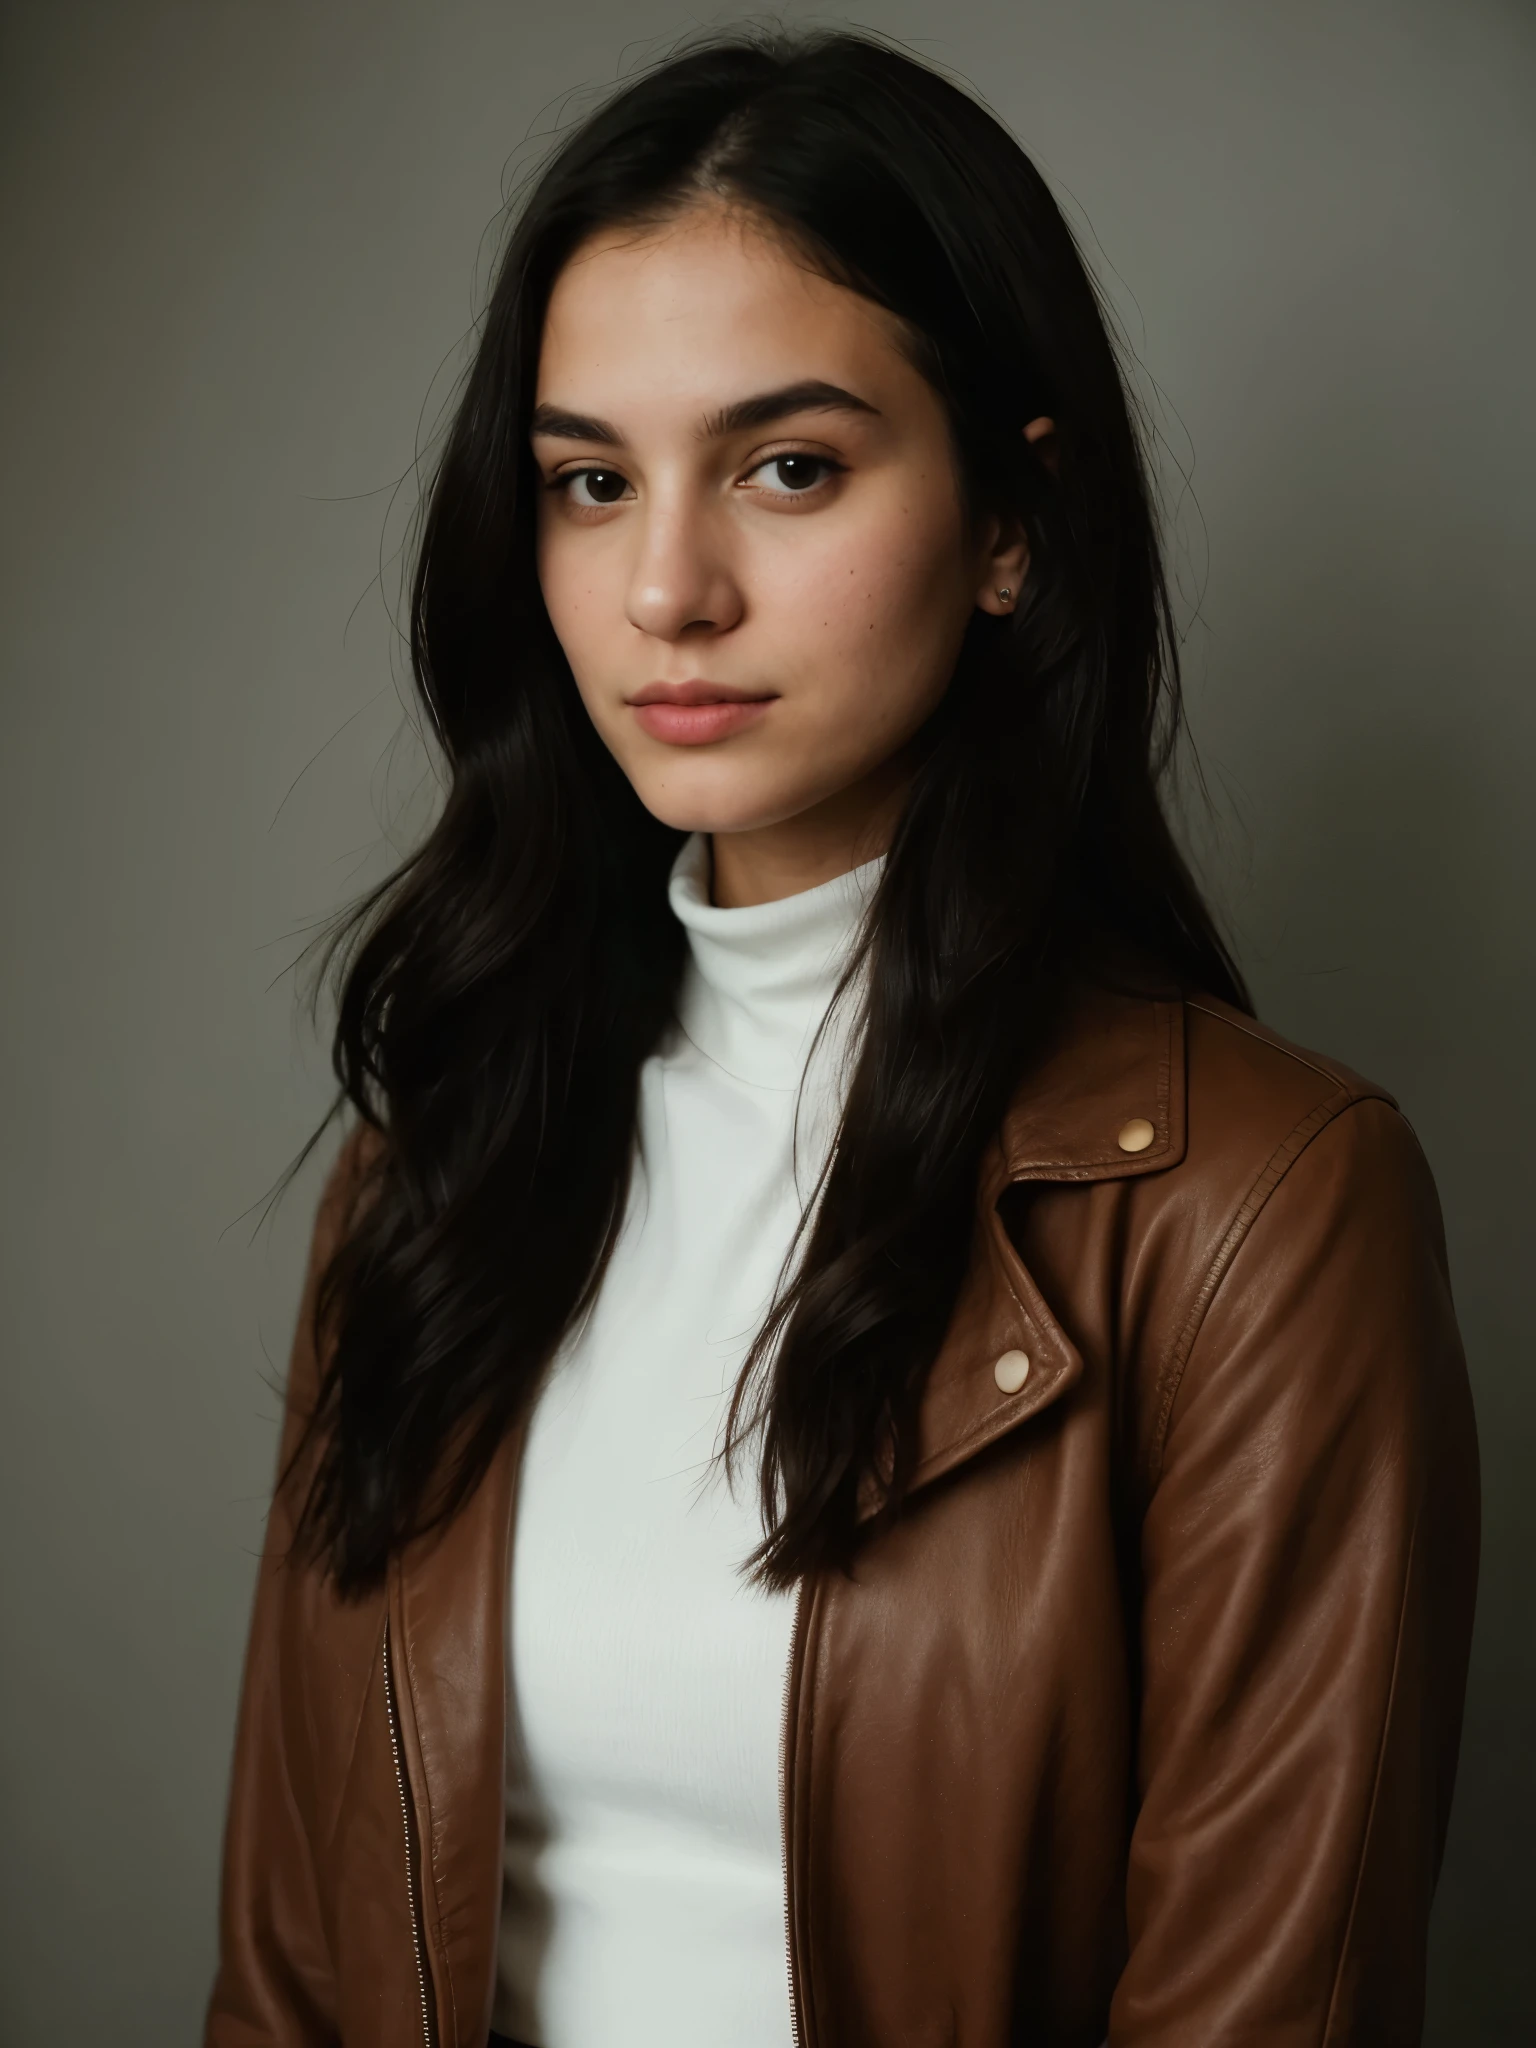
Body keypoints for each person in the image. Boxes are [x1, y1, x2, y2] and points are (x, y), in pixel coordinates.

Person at [205, 27, 1479, 2048]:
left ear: (1009, 523)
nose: (664, 587)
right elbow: (284, 1972)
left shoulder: (1262, 1213)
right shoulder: (432, 1179)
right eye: (588, 482)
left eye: (788, 466)